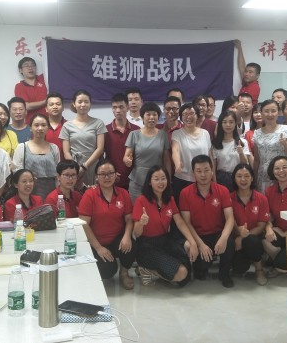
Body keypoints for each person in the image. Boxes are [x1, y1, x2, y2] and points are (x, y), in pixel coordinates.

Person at [132, 165, 198, 286]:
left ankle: (162, 268)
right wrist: (141, 223)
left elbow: (180, 222)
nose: (160, 182)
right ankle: (146, 269)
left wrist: (193, 242)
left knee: (186, 277)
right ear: (150, 182)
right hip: (146, 246)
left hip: (164, 241)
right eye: (156, 179)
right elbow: (136, 233)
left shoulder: (170, 199)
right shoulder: (141, 200)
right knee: (182, 273)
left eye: (163, 178)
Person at [179, 155, 235, 288]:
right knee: (200, 273)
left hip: (217, 233)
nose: (203, 175)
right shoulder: (185, 193)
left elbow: (230, 218)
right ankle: (201, 267)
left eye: (206, 170)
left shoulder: (222, 190)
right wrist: (201, 245)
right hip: (198, 235)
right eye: (199, 171)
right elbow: (187, 223)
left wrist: (223, 238)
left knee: (229, 242)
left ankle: (224, 274)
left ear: (212, 171)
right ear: (193, 173)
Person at [78, 159, 136, 289]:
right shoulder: (90, 195)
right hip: (96, 241)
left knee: (131, 245)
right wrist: (99, 248)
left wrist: (127, 236)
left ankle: (124, 273)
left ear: (116, 175)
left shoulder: (123, 193)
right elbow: (84, 224)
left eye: (110, 173)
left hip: (116, 239)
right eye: (102, 174)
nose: (107, 177)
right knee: (108, 271)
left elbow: (129, 219)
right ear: (97, 177)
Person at [230, 163, 269, 286]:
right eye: (239, 176)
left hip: (254, 238)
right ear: (234, 178)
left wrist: (242, 237)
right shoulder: (229, 198)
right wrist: (238, 235)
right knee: (239, 268)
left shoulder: (261, 198)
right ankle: (246, 260)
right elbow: (228, 222)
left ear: (252, 178)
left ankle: (259, 270)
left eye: (247, 176)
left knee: (251, 241)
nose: (243, 179)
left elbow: (261, 226)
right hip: (236, 239)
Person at [124, 102, 170, 202]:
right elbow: (126, 156)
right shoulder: (134, 134)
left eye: (154, 114)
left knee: (155, 208)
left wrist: (168, 179)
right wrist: (127, 160)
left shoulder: (163, 135)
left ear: (158, 117)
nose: (151, 117)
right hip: (137, 180)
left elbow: (166, 160)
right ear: (142, 117)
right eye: (148, 114)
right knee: (136, 209)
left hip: (158, 181)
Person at [60, 89, 107, 186]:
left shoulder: (98, 123)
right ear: (74, 104)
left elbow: (100, 148)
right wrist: (75, 168)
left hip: (93, 164)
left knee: (93, 191)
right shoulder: (67, 126)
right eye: (80, 101)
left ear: (90, 104)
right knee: (75, 191)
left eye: (86, 102)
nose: (83, 104)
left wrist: (85, 166)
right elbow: (66, 152)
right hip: (74, 166)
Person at [171, 102, 213, 201]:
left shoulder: (205, 133)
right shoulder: (177, 134)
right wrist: (177, 164)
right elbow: (175, 150)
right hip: (183, 179)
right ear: (181, 117)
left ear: (197, 115)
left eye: (191, 114)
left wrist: (212, 175)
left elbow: (210, 156)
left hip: (203, 178)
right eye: (185, 114)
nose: (188, 117)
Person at [12, 114, 60, 199]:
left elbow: (58, 173)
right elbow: (17, 172)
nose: (40, 128)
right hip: (28, 192)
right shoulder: (22, 147)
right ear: (30, 128)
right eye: (36, 125)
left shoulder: (54, 148)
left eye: (43, 125)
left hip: (52, 192)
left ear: (48, 128)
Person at [252, 100, 287, 193]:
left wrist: (285, 144)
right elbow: (257, 160)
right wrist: (254, 178)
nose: (270, 114)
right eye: (266, 111)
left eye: (273, 111)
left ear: (278, 112)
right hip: (263, 176)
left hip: (281, 175)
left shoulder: (286, 129)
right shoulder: (257, 133)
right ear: (261, 113)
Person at [104, 93, 139, 190]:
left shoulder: (137, 130)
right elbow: (101, 157)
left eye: (121, 107)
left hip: (134, 179)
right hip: (111, 179)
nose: (118, 110)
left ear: (127, 107)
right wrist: (110, 172)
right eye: (114, 107)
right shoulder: (105, 130)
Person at [212, 110, 250, 191]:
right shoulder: (215, 144)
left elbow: (245, 164)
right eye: (224, 122)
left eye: (231, 122)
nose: (228, 125)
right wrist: (214, 183)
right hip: (221, 178)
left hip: (239, 177)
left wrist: (241, 153)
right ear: (220, 124)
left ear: (235, 123)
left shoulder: (242, 142)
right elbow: (213, 166)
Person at [14, 56, 48, 124]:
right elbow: (26, 106)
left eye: (32, 65)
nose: (30, 68)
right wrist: (46, 101)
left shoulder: (44, 78)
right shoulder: (19, 86)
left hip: (48, 121)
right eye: (26, 66)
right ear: (20, 70)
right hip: (32, 123)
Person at [235, 39, 261, 106]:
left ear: (257, 75)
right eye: (246, 71)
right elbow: (241, 67)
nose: (246, 74)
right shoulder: (246, 83)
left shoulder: (254, 87)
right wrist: (239, 48)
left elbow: (244, 104)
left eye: (250, 72)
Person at [44, 92, 66, 159]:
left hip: (65, 164)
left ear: (63, 108)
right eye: (51, 104)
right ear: (46, 109)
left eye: (58, 104)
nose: (55, 107)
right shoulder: (41, 127)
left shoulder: (69, 126)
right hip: (44, 163)